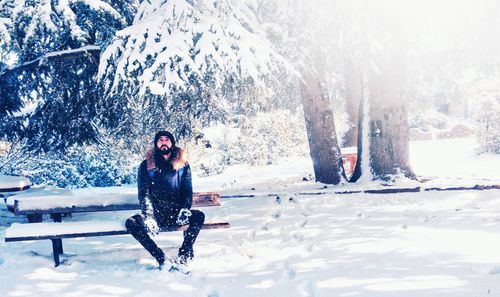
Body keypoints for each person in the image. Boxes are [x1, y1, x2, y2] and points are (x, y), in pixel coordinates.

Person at [125, 131, 205, 267]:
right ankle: (161, 258)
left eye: (167, 139)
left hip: (177, 214)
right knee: (131, 223)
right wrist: (149, 216)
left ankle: (184, 255)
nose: (163, 142)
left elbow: (187, 190)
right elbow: (144, 193)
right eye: (160, 140)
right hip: (156, 215)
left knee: (198, 216)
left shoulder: (183, 165)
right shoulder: (146, 165)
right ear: (156, 144)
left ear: (172, 143)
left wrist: (185, 209)